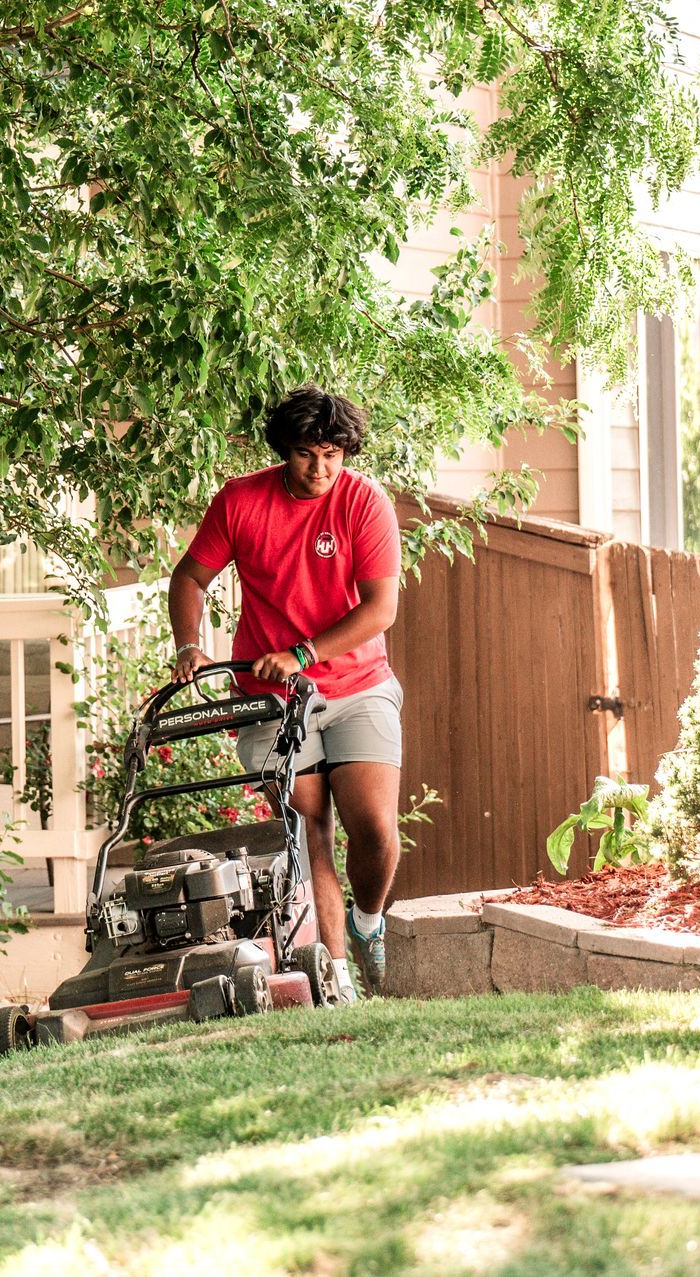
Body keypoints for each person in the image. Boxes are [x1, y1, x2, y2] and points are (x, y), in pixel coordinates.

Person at [168, 386, 402, 995]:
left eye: (332, 455)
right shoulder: (241, 501)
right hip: (272, 699)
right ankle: (337, 979)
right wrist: (189, 644)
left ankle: (367, 921)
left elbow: (380, 609)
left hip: (357, 685)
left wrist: (303, 653)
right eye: (306, 454)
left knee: (375, 828)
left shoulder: (364, 503)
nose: (320, 469)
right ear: (284, 451)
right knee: (308, 830)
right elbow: (190, 576)